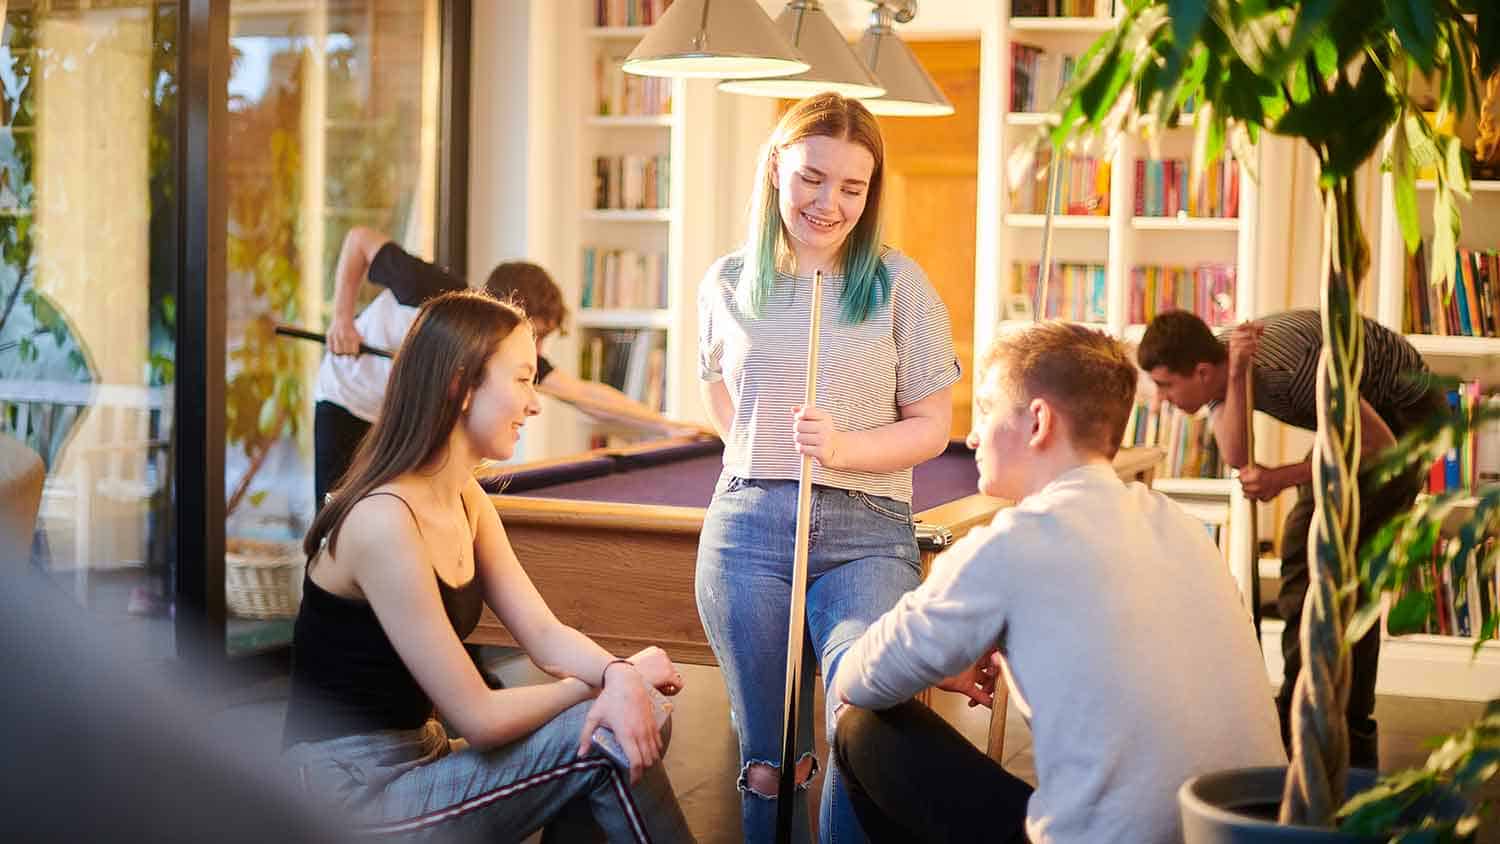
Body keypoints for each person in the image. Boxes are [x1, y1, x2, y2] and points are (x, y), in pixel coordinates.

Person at [829, 322, 1286, 844]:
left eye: (985, 408)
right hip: (1247, 831)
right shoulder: (1183, 526)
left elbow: (859, 680)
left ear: (1038, 422)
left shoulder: (1011, 545)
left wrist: (938, 658)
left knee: (862, 728)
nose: (973, 436)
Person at [282, 290, 695, 842]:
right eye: (522, 379)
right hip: (348, 797)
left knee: (632, 712)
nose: (535, 403)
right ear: (459, 385)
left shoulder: (466, 499)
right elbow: (477, 715)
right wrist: (607, 683)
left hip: (418, 759)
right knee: (612, 731)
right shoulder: (383, 520)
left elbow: (545, 636)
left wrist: (617, 676)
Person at [695, 92, 961, 843]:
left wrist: (842, 449)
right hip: (745, 532)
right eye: (813, 177)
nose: (830, 202)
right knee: (768, 756)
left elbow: (933, 427)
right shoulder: (725, 281)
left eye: (853, 187)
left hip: (867, 532)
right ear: (777, 164)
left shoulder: (899, 283)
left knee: (859, 714)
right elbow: (717, 389)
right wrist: (758, 451)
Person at [1137, 308, 1446, 769]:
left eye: (1165, 386)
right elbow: (1238, 456)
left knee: (1346, 577)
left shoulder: (1293, 371)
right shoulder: (1224, 358)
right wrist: (1239, 374)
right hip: (1357, 423)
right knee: (1302, 541)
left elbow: (1379, 448)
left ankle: (1349, 739)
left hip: (1406, 422)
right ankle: (1298, 713)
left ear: (1201, 372)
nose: (1160, 399)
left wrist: (1283, 477)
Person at [314, 227, 705, 509]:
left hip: (400, 419)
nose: (534, 352)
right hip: (346, 398)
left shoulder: (506, 352)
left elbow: (585, 395)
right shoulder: (429, 287)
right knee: (335, 515)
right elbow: (360, 240)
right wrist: (342, 320)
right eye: (535, 335)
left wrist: (665, 426)